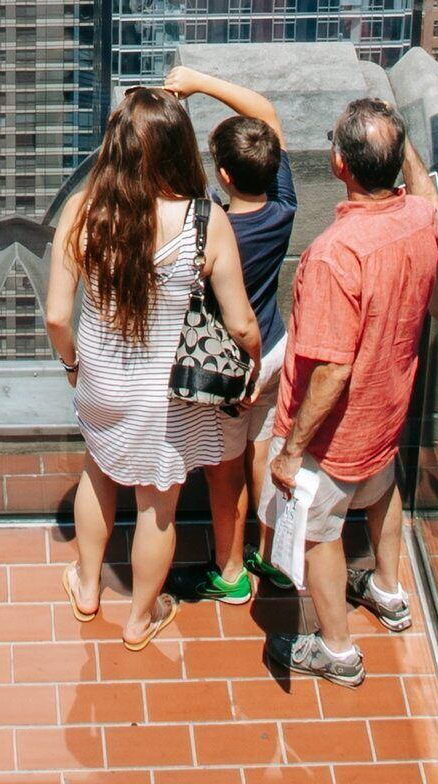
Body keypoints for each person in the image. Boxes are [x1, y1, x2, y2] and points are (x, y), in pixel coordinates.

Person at [47, 83, 265, 648]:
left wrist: (73, 366)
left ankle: (89, 587)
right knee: (157, 505)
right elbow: (240, 323)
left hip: (100, 376)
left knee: (98, 472)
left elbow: (55, 315)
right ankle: (140, 619)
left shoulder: (82, 211)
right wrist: (254, 360)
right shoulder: (205, 221)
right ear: (179, 148)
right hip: (167, 392)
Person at [267, 97, 438, 688]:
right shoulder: (421, 220)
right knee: (381, 488)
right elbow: (423, 193)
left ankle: (337, 650)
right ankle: (389, 591)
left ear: (339, 164)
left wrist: (293, 450)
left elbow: (331, 371)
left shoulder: (333, 255)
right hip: (389, 406)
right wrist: (403, 148)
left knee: (321, 534)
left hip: (335, 431)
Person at [165, 60, 292, 602]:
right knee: (261, 452)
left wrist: (180, 92)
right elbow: (264, 112)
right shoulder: (285, 208)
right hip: (276, 349)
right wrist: (200, 81)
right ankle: (274, 555)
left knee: (224, 475)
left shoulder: (212, 229)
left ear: (225, 177)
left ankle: (231, 573)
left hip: (233, 363)